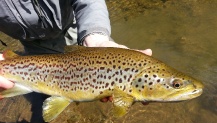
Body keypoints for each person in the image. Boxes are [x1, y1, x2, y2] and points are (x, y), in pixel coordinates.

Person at [0, 0, 152, 91]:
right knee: (46, 87)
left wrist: (96, 37)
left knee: (91, 78)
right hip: (31, 41)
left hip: (76, 26)